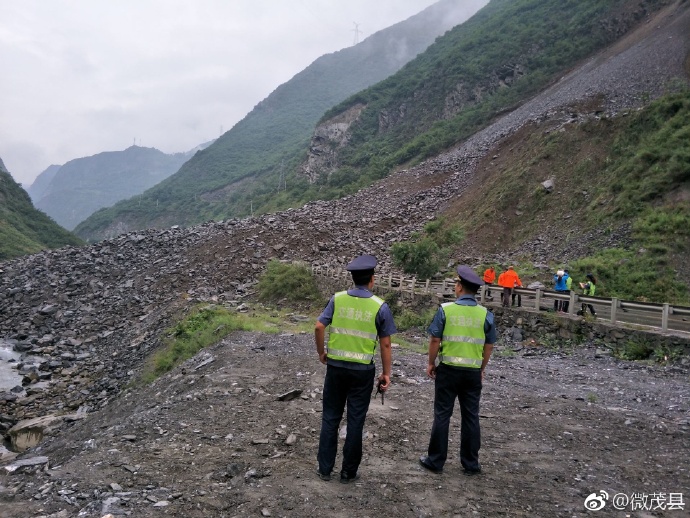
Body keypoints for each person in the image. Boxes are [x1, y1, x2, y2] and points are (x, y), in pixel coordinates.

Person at [315, 254, 396, 483]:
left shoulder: (337, 299)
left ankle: (324, 469)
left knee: (330, 417)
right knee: (355, 420)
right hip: (362, 371)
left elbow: (319, 326)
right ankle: (348, 472)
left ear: (352, 279)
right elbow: (386, 343)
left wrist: (322, 352)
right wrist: (386, 373)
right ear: (372, 280)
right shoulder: (380, 306)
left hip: (336, 368)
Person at [419, 266, 497, 476]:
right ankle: (471, 464)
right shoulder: (485, 315)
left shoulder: (446, 310)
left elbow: (435, 338)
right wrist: (481, 368)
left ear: (460, 287)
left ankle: (435, 461)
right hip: (472, 372)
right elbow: (488, 346)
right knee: (471, 416)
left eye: (456, 283)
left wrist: (430, 362)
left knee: (442, 414)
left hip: (448, 370)